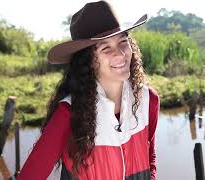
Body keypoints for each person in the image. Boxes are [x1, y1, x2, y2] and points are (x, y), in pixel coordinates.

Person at [17, 1, 160, 180]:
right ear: (88, 61)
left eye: (123, 41)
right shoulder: (69, 113)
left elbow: (150, 156)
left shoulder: (149, 100)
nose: (120, 54)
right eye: (106, 48)